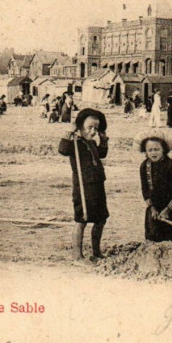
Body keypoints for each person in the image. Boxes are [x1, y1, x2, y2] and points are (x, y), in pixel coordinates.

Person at [58, 108, 109, 262]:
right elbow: (62, 150)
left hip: (97, 185)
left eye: (96, 128)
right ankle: (77, 255)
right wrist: (70, 131)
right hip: (83, 187)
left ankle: (96, 252)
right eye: (89, 127)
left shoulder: (92, 142)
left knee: (101, 219)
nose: (93, 131)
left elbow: (102, 154)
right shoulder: (74, 143)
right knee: (81, 220)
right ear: (79, 127)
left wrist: (104, 139)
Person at [135, 130, 172, 242]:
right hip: (155, 208)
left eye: (157, 149)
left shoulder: (171, 165)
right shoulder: (144, 166)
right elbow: (145, 189)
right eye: (150, 150)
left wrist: (167, 210)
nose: (154, 153)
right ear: (146, 152)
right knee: (153, 237)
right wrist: (152, 208)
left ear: (164, 150)